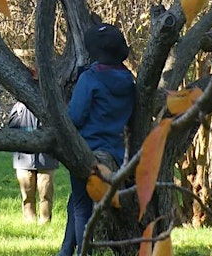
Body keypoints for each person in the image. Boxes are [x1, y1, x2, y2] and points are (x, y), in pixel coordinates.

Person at [58, 23, 135, 255]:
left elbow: (76, 116)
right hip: (116, 154)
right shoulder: (128, 81)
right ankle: (64, 251)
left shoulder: (90, 79)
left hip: (87, 149)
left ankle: (84, 252)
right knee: (76, 201)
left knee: (82, 206)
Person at [8, 102, 59, 224]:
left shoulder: (50, 102)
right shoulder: (19, 106)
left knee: (46, 193)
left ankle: (45, 224)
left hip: (46, 154)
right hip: (24, 155)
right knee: (27, 195)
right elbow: (11, 128)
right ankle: (29, 223)